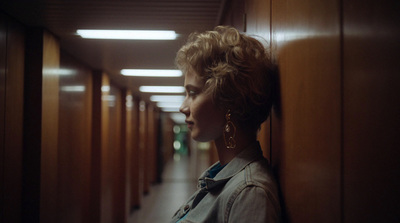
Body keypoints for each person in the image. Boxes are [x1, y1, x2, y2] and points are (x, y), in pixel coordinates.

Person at [171, 26, 281, 223]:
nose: (183, 107)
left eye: (193, 93)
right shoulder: (219, 177)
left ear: (229, 100)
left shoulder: (249, 194)